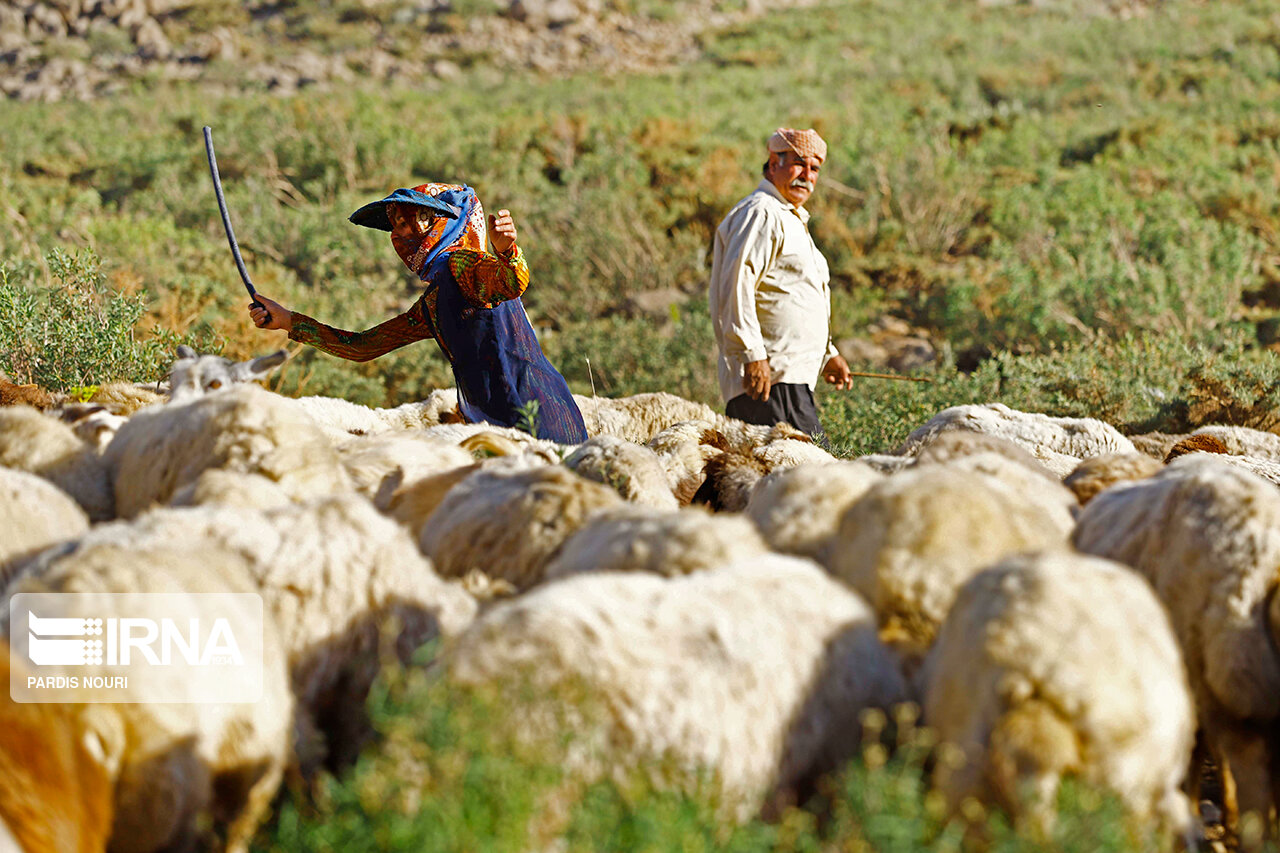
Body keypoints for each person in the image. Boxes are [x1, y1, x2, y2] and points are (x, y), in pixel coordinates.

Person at [248, 182, 589, 443]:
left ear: (442, 224)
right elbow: (363, 347)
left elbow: (513, 280)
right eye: (395, 224)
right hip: (498, 429)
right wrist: (289, 321)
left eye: (412, 221)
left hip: (539, 418)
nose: (397, 234)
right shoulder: (434, 300)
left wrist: (507, 250)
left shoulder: (465, 266)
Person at [708, 127, 853, 438]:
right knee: (804, 474)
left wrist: (827, 355)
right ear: (773, 163)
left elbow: (792, 296)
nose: (807, 175)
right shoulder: (761, 212)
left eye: (814, 168)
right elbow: (737, 284)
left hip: (788, 380)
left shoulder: (790, 218)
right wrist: (752, 355)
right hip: (768, 382)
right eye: (798, 164)